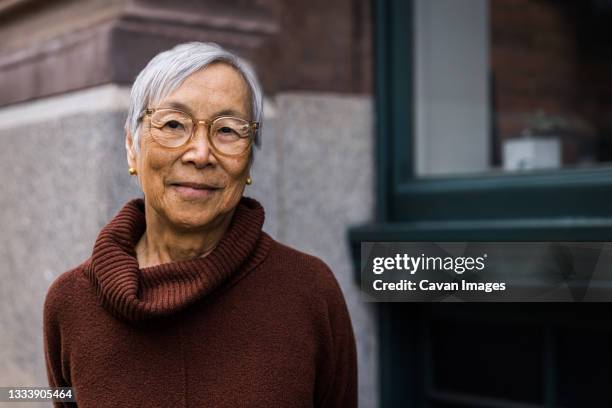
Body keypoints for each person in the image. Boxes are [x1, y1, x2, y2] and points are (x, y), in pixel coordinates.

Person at [43, 42, 357, 407]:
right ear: (132, 146)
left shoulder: (309, 291)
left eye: (227, 130)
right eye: (174, 124)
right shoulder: (71, 303)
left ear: (249, 159)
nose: (200, 154)